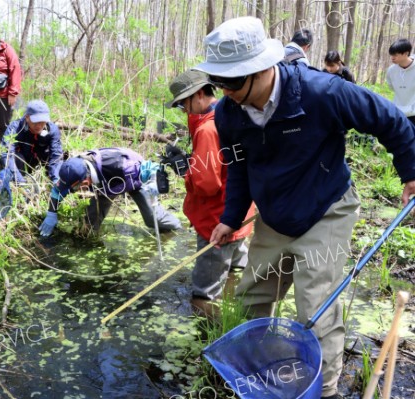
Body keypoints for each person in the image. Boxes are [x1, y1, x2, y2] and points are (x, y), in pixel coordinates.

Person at [194, 17, 415, 399]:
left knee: (314, 311)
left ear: (262, 68)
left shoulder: (322, 92)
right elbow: (238, 166)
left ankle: (323, 391)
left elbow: (390, 119)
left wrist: (411, 172)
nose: (225, 92)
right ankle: (256, 377)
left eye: (232, 82)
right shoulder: (229, 116)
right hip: (275, 214)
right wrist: (230, 218)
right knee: (250, 300)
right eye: (219, 83)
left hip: (325, 208)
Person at [165, 70, 255, 314]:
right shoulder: (232, 113)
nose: (184, 110)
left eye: (184, 103)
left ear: (199, 94)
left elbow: (207, 185)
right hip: (242, 214)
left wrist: (185, 170)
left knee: (203, 294)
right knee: (238, 267)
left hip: (217, 221)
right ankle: (237, 306)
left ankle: (209, 331)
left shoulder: (207, 129)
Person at [38, 148, 182, 236]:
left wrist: (153, 180)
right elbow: (57, 192)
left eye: (75, 188)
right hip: (106, 187)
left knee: (152, 220)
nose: (74, 192)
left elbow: (151, 167)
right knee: (89, 226)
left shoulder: (120, 166)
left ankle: (178, 227)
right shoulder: (72, 170)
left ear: (85, 180)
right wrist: (52, 213)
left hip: (135, 180)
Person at [0, 100, 63, 184]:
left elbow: (56, 156)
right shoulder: (15, 128)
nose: (39, 126)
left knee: (61, 159)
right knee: (15, 157)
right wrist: (20, 181)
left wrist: (56, 180)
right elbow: (6, 154)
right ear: (27, 117)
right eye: (36, 121)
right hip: (21, 165)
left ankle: (50, 181)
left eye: (42, 122)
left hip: (40, 163)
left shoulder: (52, 130)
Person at [387, 39, 415, 125]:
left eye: (395, 55)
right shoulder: (391, 70)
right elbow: (391, 87)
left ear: (406, 53)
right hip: (398, 112)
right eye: (391, 55)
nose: (392, 58)